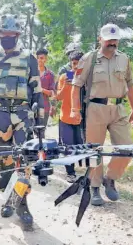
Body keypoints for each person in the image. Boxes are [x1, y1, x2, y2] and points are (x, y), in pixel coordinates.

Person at [0, 14, 44, 230]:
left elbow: (37, 90)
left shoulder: (29, 58)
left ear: (17, 35)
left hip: (23, 115)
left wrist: (41, 119)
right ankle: (8, 197)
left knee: (23, 161)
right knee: (4, 163)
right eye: (3, 34)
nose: (7, 37)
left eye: (11, 34)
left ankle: (22, 204)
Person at [70, 23, 133, 206]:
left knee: (127, 147)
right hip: (95, 109)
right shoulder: (89, 59)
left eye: (115, 39)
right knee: (94, 149)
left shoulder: (124, 59)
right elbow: (76, 86)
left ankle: (110, 178)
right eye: (109, 39)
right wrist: (75, 110)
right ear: (100, 39)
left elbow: (131, 85)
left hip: (117, 109)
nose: (112, 43)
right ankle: (94, 187)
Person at [56, 50, 84, 183]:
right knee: (68, 146)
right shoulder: (63, 77)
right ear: (70, 64)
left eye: (79, 64)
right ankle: (70, 173)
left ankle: (85, 169)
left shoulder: (86, 78)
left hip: (80, 119)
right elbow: (58, 97)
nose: (76, 67)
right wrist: (66, 86)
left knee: (80, 146)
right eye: (74, 64)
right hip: (66, 118)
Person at [36, 48, 56, 133]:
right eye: (38, 58)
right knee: (28, 132)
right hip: (30, 107)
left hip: (44, 108)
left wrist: (41, 89)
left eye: (42, 58)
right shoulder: (30, 72)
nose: (40, 60)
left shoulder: (50, 75)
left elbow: (52, 93)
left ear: (46, 59)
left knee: (41, 133)